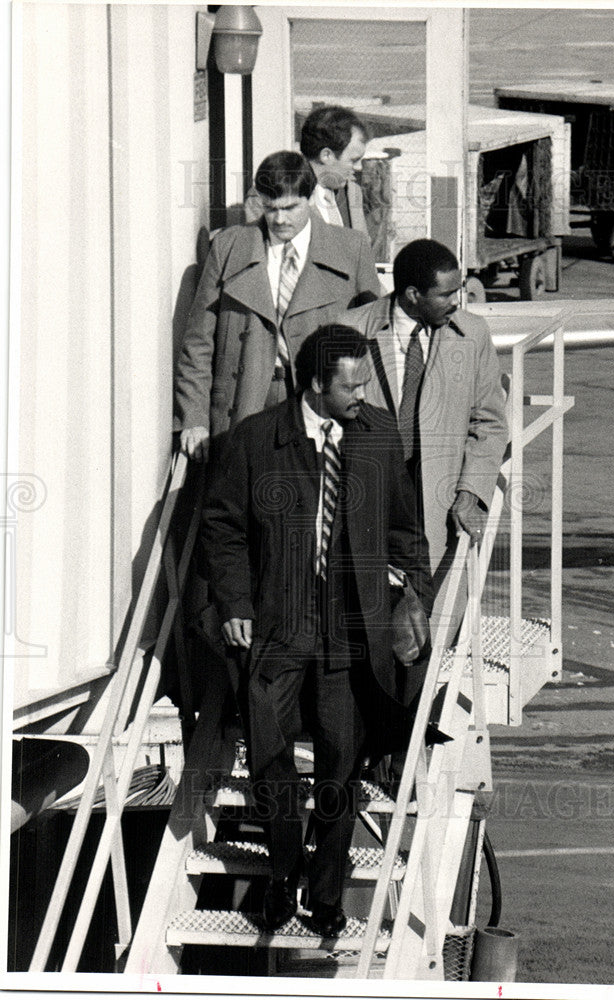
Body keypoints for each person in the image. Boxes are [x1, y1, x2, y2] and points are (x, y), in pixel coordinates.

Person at [201, 324, 433, 937]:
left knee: (339, 765)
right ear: (314, 386)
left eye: (365, 380)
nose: (363, 394)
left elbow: (407, 526)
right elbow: (221, 529)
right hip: (276, 629)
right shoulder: (253, 442)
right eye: (351, 385)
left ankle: (326, 896)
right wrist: (235, 603)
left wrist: (412, 589)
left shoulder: (378, 434)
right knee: (272, 764)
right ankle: (282, 876)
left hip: (349, 633)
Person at [343, 238, 508, 630]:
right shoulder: (348, 331)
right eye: (447, 294)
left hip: (434, 493)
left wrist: (471, 492)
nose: (458, 302)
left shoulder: (473, 334)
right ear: (413, 295)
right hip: (370, 492)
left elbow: (490, 423)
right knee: (365, 602)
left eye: (460, 290)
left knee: (423, 612)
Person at [174, 150, 380, 462]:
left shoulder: (352, 248)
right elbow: (199, 341)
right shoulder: (228, 247)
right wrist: (194, 417)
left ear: (310, 197)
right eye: (270, 209)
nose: (280, 219)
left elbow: (373, 341)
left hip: (317, 403)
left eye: (290, 208)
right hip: (242, 402)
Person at [244, 105, 369, 235]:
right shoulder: (267, 197)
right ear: (326, 155)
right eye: (353, 160)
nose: (359, 167)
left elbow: (364, 249)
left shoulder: (353, 192)